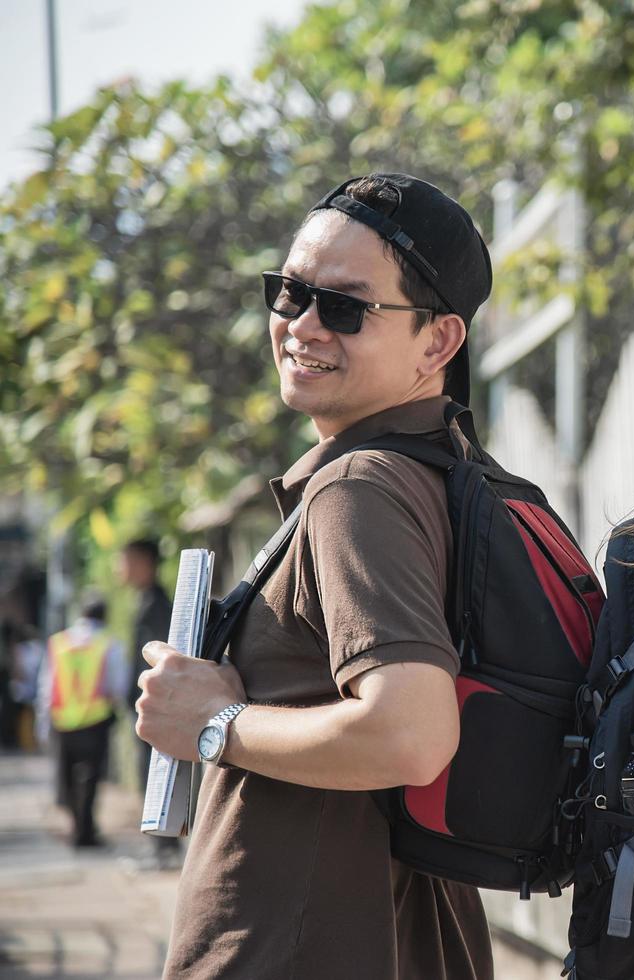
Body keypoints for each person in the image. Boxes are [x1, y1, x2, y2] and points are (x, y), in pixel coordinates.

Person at [134, 173, 494, 979]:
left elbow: (411, 733)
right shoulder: (450, 476)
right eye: (290, 293)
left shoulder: (359, 488)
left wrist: (215, 721)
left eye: (344, 307)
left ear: (437, 343)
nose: (301, 325)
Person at [39, 593, 131, 848]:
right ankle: (86, 829)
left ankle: (77, 825)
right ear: (105, 615)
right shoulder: (109, 643)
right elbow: (118, 684)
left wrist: (43, 722)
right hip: (95, 720)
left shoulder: (58, 642)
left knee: (66, 777)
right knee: (91, 777)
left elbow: (47, 684)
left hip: (63, 721)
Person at [118, 537, 182, 869]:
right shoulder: (146, 601)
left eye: (125, 559)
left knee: (157, 775)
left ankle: (164, 850)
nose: (120, 568)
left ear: (144, 562)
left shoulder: (157, 605)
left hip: (155, 708)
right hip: (147, 706)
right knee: (149, 774)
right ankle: (161, 849)